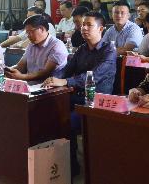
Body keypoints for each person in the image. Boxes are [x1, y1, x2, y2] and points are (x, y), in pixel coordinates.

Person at [43, 11, 116, 177]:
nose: (84, 28)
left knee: (66, 122)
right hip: (77, 96)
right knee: (45, 112)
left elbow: (94, 76)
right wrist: (54, 78)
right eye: (83, 25)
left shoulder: (109, 50)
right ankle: (56, 165)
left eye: (89, 25)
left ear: (101, 29)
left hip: (96, 101)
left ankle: (72, 167)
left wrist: (65, 81)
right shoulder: (82, 48)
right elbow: (66, 69)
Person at [5, 14, 68, 83]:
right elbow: (21, 66)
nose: (28, 36)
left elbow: (45, 73)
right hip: (30, 82)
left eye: (30, 32)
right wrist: (8, 71)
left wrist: (22, 77)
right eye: (27, 33)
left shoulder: (57, 46)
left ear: (42, 29)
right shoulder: (32, 44)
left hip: (47, 85)